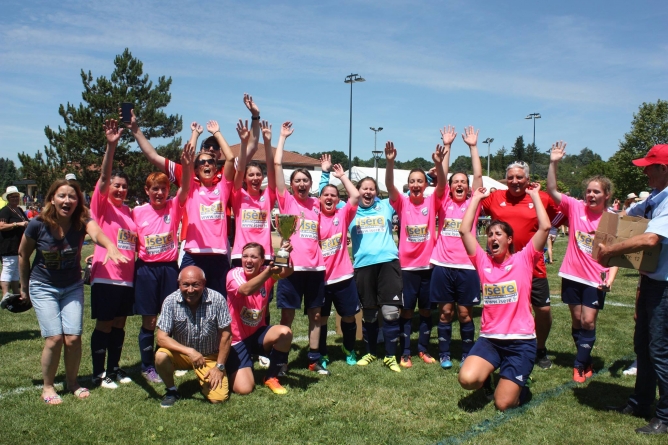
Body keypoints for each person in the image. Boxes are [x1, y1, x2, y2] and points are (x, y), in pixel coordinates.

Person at [18, 179, 128, 404]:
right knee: (54, 338)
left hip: (72, 286)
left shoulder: (81, 221)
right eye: (62, 196)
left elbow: (96, 233)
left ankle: (72, 382)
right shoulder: (37, 224)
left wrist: (110, 246)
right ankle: (48, 387)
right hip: (43, 286)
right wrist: (23, 288)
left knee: (73, 338)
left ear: (78, 201)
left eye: (72, 196)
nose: (67, 200)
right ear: (52, 199)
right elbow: (23, 254)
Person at [458, 183, 550, 411]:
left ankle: (520, 385)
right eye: (489, 235)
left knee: (503, 404)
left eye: (498, 234)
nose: (492, 238)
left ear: (509, 239)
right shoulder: (482, 261)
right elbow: (464, 231)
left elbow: (545, 227)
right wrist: (476, 199)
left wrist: (535, 195)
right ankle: (492, 375)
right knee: (467, 379)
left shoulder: (524, 259)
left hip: (521, 342)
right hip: (491, 339)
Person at [598, 144, 668, 435]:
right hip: (653, 281)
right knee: (643, 345)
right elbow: (624, 218)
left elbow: (651, 239)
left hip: (665, 287)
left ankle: (665, 416)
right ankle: (641, 401)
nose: (644, 171)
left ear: (663, 168)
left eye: (649, 167)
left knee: (659, 349)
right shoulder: (655, 197)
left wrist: (610, 249)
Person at [547, 141, 618, 382]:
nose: (591, 195)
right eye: (589, 191)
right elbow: (552, 189)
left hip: (595, 278)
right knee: (577, 320)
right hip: (571, 274)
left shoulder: (611, 219)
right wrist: (553, 162)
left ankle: (578, 364)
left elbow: (618, 254)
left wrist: (611, 277)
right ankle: (585, 359)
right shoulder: (575, 207)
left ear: (606, 195)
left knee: (588, 320)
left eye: (596, 191)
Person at [481, 161, 560, 369]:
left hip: (533, 267)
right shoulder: (495, 197)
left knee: (542, 310)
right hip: (503, 270)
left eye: (519, 177)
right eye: (511, 177)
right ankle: (503, 349)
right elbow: (475, 195)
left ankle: (540, 348)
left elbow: (557, 215)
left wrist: (553, 163)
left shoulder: (540, 197)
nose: (515, 181)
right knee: (505, 311)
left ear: (527, 178)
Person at [132, 144, 194, 384]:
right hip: (146, 270)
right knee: (149, 320)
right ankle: (147, 366)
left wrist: (186, 165)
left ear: (169, 190)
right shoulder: (137, 212)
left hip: (169, 269)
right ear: (147, 190)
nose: (159, 193)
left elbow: (186, 186)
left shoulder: (173, 206)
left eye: (163, 188)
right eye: (155, 189)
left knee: (173, 318)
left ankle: (174, 358)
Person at [386, 136, 449, 368]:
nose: (415, 184)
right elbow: (390, 187)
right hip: (407, 268)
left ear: (425, 184)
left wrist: (440, 165)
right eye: (412, 181)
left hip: (428, 267)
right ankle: (405, 352)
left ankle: (422, 349)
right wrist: (390, 163)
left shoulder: (432, 201)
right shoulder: (401, 202)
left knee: (425, 311)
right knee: (407, 312)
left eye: (419, 181)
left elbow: (442, 186)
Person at [273, 121, 329, 375]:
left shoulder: (317, 204)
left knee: (316, 316)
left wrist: (327, 172)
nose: (302, 184)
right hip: (291, 269)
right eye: (297, 180)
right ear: (292, 184)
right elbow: (276, 165)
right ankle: (281, 362)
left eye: (306, 180)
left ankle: (314, 359)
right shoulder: (285, 201)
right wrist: (282, 138)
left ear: (310, 183)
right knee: (287, 318)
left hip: (316, 268)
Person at [88, 119, 139, 389]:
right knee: (105, 325)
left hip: (126, 279)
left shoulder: (129, 213)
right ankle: (98, 374)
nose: (119, 189)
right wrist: (112, 145)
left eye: (124, 186)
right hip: (106, 277)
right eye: (116, 185)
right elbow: (104, 177)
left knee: (119, 325)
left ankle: (114, 369)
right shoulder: (102, 206)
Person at [430, 126, 483, 369]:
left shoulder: (474, 202)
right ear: (450, 187)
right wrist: (447, 147)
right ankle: (444, 354)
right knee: (445, 313)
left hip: (468, 267)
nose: (459, 184)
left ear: (468, 188)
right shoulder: (443, 201)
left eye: (464, 182)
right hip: (443, 265)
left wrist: (473, 147)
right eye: (456, 182)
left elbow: (479, 177)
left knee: (465, 314)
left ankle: (468, 354)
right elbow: (441, 178)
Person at [155, 266, 232, 407]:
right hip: (183, 355)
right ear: (179, 284)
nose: (190, 290)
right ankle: (171, 391)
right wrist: (189, 351)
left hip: (210, 356)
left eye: (195, 284)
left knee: (218, 399)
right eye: (186, 285)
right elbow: (161, 338)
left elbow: (226, 335)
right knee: (161, 356)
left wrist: (219, 366)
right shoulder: (170, 301)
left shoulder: (217, 299)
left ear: (204, 283)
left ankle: (205, 381)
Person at [349, 176, 403, 372]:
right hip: (363, 266)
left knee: (390, 312)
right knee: (370, 313)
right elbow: (326, 197)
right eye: (364, 188)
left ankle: (390, 356)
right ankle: (370, 351)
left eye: (372, 189)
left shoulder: (386, 206)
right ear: (358, 191)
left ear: (376, 192)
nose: (368, 192)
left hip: (388, 264)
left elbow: (394, 189)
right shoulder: (350, 212)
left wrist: (389, 162)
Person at [226, 243, 294, 395]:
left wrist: (285, 253)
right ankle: (231, 367)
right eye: (245, 256)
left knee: (285, 333)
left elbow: (287, 271)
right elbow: (245, 290)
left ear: (262, 260)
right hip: (236, 340)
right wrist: (269, 272)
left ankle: (271, 376)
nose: (248, 260)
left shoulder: (265, 272)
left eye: (254, 257)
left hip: (257, 334)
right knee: (243, 389)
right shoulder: (234, 274)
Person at [317, 160, 361, 366]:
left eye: (333, 195)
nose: (329, 198)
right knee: (321, 319)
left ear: (337, 200)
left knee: (349, 316)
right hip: (320, 279)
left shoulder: (342, 215)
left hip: (343, 276)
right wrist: (324, 176)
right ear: (319, 198)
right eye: (326, 195)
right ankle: (323, 353)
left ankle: (349, 348)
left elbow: (355, 196)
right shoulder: (313, 216)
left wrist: (342, 176)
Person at [0, 186, 29, 298]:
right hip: (8, 245)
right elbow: (1, 226)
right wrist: (17, 224)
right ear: (8, 198)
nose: (15, 199)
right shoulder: (5, 211)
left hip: (18, 245)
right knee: (8, 268)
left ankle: (16, 292)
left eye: (16, 197)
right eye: (12, 197)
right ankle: (5, 294)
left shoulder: (19, 210)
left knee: (16, 269)